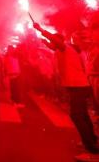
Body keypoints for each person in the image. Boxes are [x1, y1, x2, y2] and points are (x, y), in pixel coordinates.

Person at [34, 23, 99, 161]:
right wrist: (45, 41)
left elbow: (56, 43)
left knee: (76, 116)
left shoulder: (66, 48)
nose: (52, 43)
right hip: (80, 86)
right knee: (82, 115)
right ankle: (92, 141)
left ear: (59, 41)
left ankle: (91, 150)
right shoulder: (63, 50)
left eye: (53, 41)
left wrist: (41, 30)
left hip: (78, 87)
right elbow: (53, 46)